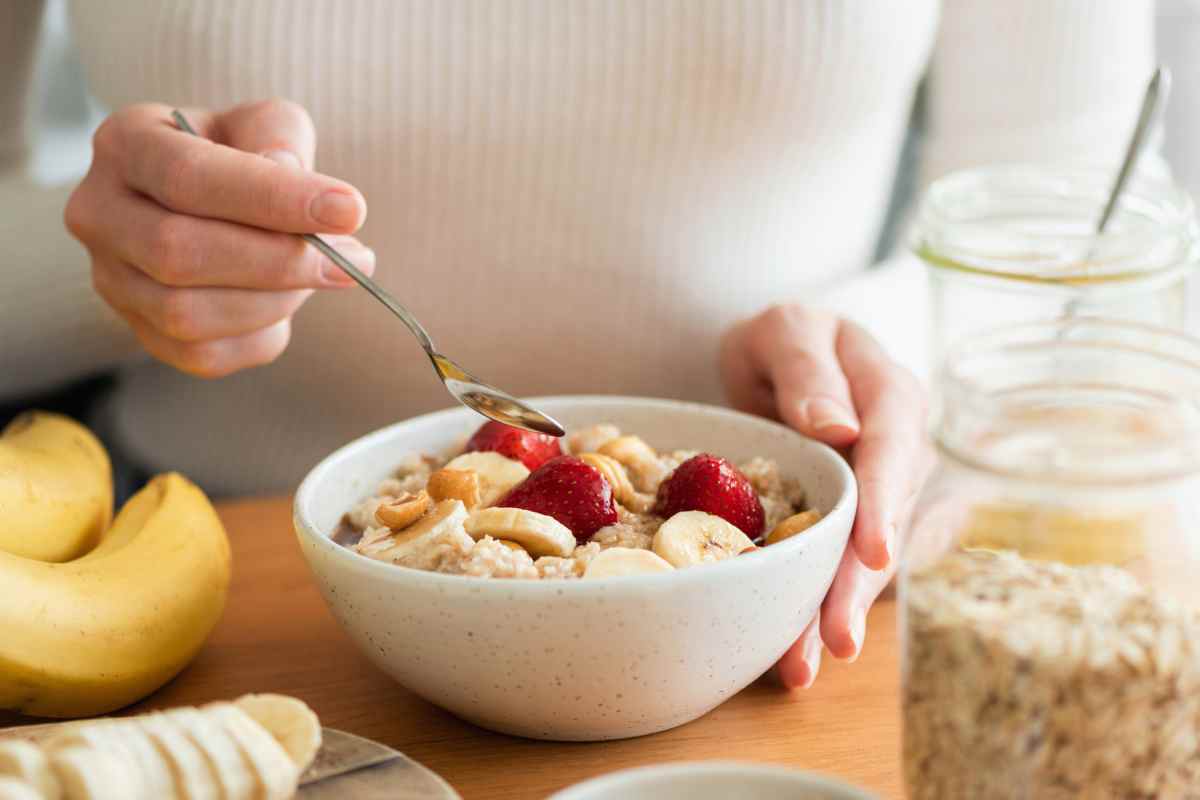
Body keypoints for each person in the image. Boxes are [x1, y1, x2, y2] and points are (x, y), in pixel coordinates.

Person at [0, 0, 1161, 690]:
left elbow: (1086, 208)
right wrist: (108, 262)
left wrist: (881, 344)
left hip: (780, 616)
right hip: (211, 595)